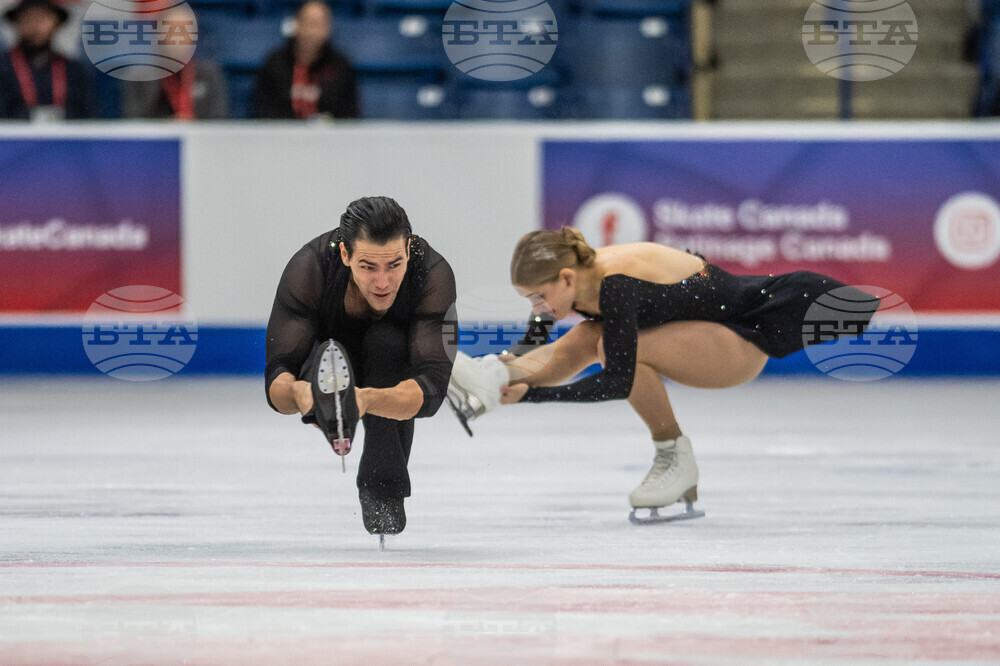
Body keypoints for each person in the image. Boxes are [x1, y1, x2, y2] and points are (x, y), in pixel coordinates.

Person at [448, 228, 879, 523]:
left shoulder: (615, 284)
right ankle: (490, 377)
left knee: (606, 345)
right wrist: (504, 366)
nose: (538, 308)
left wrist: (530, 398)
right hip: (703, 332)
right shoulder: (576, 280)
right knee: (585, 336)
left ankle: (674, 457)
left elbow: (617, 379)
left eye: (539, 297)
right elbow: (538, 333)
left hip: (740, 341)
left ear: (564, 278)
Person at [265, 196, 456, 536]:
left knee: (388, 343)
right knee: (328, 350)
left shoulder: (432, 273)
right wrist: (301, 394)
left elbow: (432, 389)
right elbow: (278, 377)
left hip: (391, 365)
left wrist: (365, 400)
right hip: (324, 362)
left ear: (409, 250)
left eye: (394, 265)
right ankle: (329, 401)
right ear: (344, 254)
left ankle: (382, 489)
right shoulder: (310, 268)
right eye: (368, 267)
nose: (383, 282)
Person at [251, 0, 359, 120]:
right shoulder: (274, 63)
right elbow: (262, 111)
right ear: (296, 24)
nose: (313, 32)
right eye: (309, 23)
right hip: (282, 135)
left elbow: (350, 116)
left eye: (319, 24)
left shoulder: (341, 66)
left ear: (328, 29)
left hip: (328, 137)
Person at [0, 0, 96, 120]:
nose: (36, 26)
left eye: (43, 18)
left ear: (56, 24)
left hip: (67, 137)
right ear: (17, 23)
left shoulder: (74, 70)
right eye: (29, 18)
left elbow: (89, 118)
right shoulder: (4, 67)